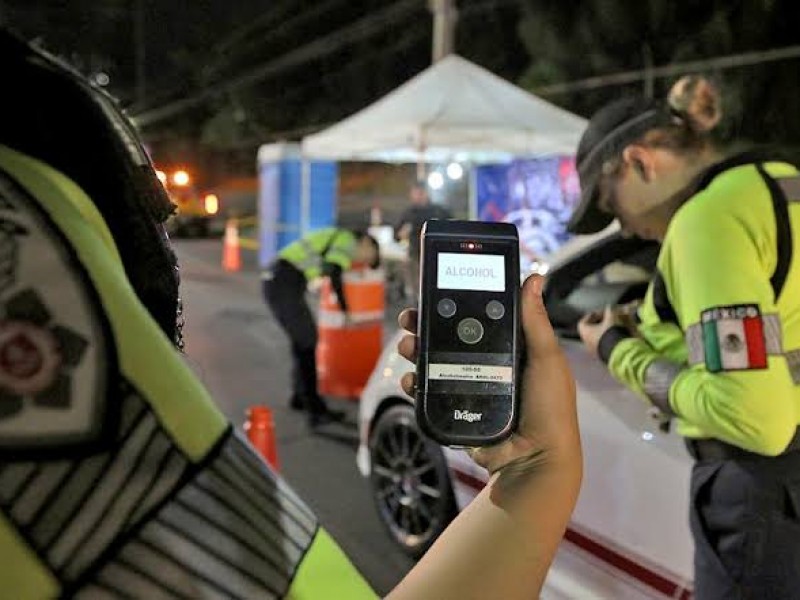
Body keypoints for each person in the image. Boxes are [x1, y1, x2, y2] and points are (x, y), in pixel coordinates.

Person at [0, 28, 582, 600]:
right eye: (368, 257)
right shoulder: (31, 162)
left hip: (286, 281)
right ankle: (306, 398)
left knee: (307, 342)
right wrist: (545, 471)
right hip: (281, 282)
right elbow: (327, 275)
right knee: (303, 341)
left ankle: (307, 394)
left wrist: (541, 468)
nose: (365, 260)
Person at [572, 75, 800, 599]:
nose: (624, 229)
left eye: (611, 204)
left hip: (761, 500)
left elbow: (752, 418)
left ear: (638, 163)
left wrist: (616, 350)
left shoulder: (706, 222)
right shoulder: (779, 182)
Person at [262, 227, 380, 428]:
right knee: (308, 341)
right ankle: (315, 411)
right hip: (283, 281)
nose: (361, 262)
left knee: (302, 341)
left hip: (281, 280)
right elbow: (334, 271)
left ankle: (300, 397)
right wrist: (346, 311)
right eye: (369, 257)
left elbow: (325, 268)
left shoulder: (338, 237)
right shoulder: (346, 239)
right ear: (367, 243)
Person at [394, 181, 451, 301]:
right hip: (416, 255)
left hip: (436, 256)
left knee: (436, 287)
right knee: (418, 290)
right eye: (415, 193)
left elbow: (452, 228)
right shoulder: (408, 213)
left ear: (426, 193)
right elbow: (397, 235)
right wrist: (402, 234)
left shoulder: (439, 211)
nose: (417, 196)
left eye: (420, 193)